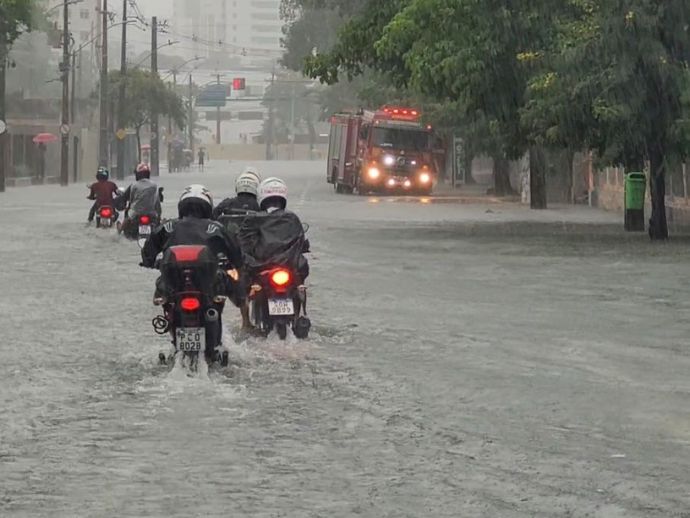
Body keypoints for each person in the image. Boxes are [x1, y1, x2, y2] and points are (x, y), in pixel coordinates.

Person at [141, 184, 252, 330]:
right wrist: (237, 267)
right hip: (206, 284)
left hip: (177, 283)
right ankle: (246, 324)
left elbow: (148, 249)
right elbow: (234, 251)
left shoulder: (168, 226)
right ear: (207, 206)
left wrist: (149, 262)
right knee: (234, 289)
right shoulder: (217, 228)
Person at [242, 177, 310, 284]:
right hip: (284, 269)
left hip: (262, 269)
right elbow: (302, 241)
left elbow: (244, 244)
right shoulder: (292, 218)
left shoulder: (253, 219)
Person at [117, 163, 163, 236]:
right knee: (158, 227)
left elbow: (131, 200)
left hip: (136, 213)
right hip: (151, 213)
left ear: (138, 174)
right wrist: (159, 215)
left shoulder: (134, 185)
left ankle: (120, 230)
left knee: (126, 221)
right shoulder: (154, 185)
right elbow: (157, 202)